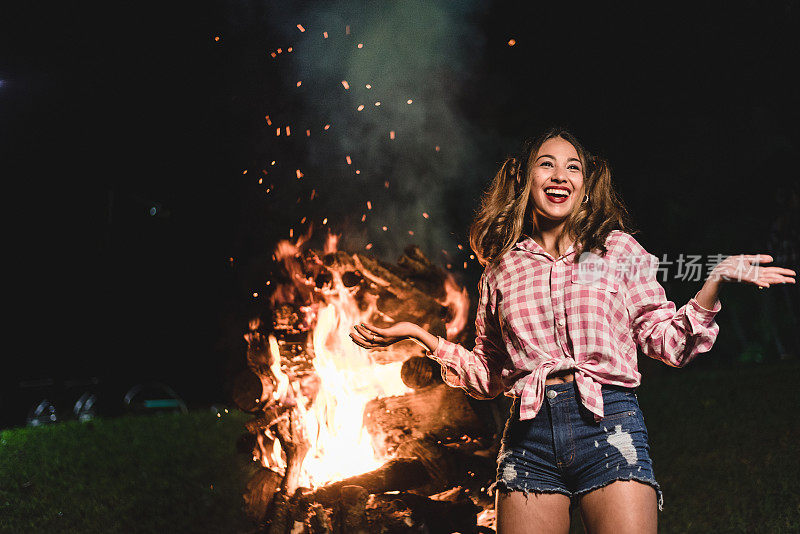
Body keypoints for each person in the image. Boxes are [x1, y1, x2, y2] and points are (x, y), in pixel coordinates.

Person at [349, 128, 796, 534]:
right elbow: (489, 374)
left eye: (573, 166)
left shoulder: (617, 249)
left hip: (609, 425)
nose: (560, 174)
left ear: (585, 186)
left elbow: (667, 341)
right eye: (547, 163)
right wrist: (419, 336)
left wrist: (713, 280)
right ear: (526, 180)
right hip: (529, 438)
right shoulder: (501, 270)